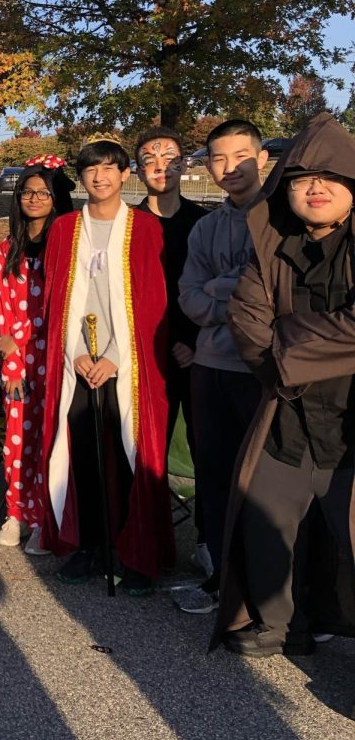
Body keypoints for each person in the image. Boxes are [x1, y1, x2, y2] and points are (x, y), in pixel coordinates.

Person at [215, 112, 355, 657]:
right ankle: (277, 624)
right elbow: (246, 319)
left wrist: (288, 340)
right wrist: (292, 360)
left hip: (349, 419)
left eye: (329, 178)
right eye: (301, 180)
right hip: (287, 409)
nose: (315, 189)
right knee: (266, 518)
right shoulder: (271, 246)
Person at [37, 139, 175, 594]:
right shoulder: (63, 229)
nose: (100, 177)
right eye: (91, 169)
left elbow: (152, 304)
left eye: (109, 168)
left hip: (127, 364)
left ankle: (133, 551)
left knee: (128, 453)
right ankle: (90, 545)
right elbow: (58, 301)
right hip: (76, 361)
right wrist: (76, 352)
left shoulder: (145, 228)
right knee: (82, 452)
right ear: (81, 177)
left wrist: (115, 357)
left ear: (123, 174)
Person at [174, 119, 266, 613]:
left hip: (260, 369)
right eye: (218, 158)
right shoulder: (207, 226)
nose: (228, 168)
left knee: (260, 480)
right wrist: (226, 295)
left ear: (262, 159)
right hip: (210, 364)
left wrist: (220, 288)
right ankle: (221, 575)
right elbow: (190, 296)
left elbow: (267, 292)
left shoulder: (279, 220)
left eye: (239, 157)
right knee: (212, 471)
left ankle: (263, 585)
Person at [0, 158, 74, 550]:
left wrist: (17, 336)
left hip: (57, 358)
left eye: (43, 192)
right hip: (20, 364)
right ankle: (15, 511)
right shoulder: (7, 248)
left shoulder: (67, 243)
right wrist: (11, 358)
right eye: (28, 192)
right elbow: (5, 307)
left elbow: (55, 308)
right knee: (17, 436)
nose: (35, 199)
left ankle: (45, 517)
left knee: (49, 438)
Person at [134, 127, 208, 516]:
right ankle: (150, 535)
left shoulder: (205, 223)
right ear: (138, 169)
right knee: (148, 451)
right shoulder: (127, 226)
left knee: (204, 448)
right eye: (150, 159)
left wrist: (192, 341)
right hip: (144, 355)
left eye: (170, 159)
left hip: (196, 354)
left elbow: (216, 287)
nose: (161, 167)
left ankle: (206, 539)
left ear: (184, 163)